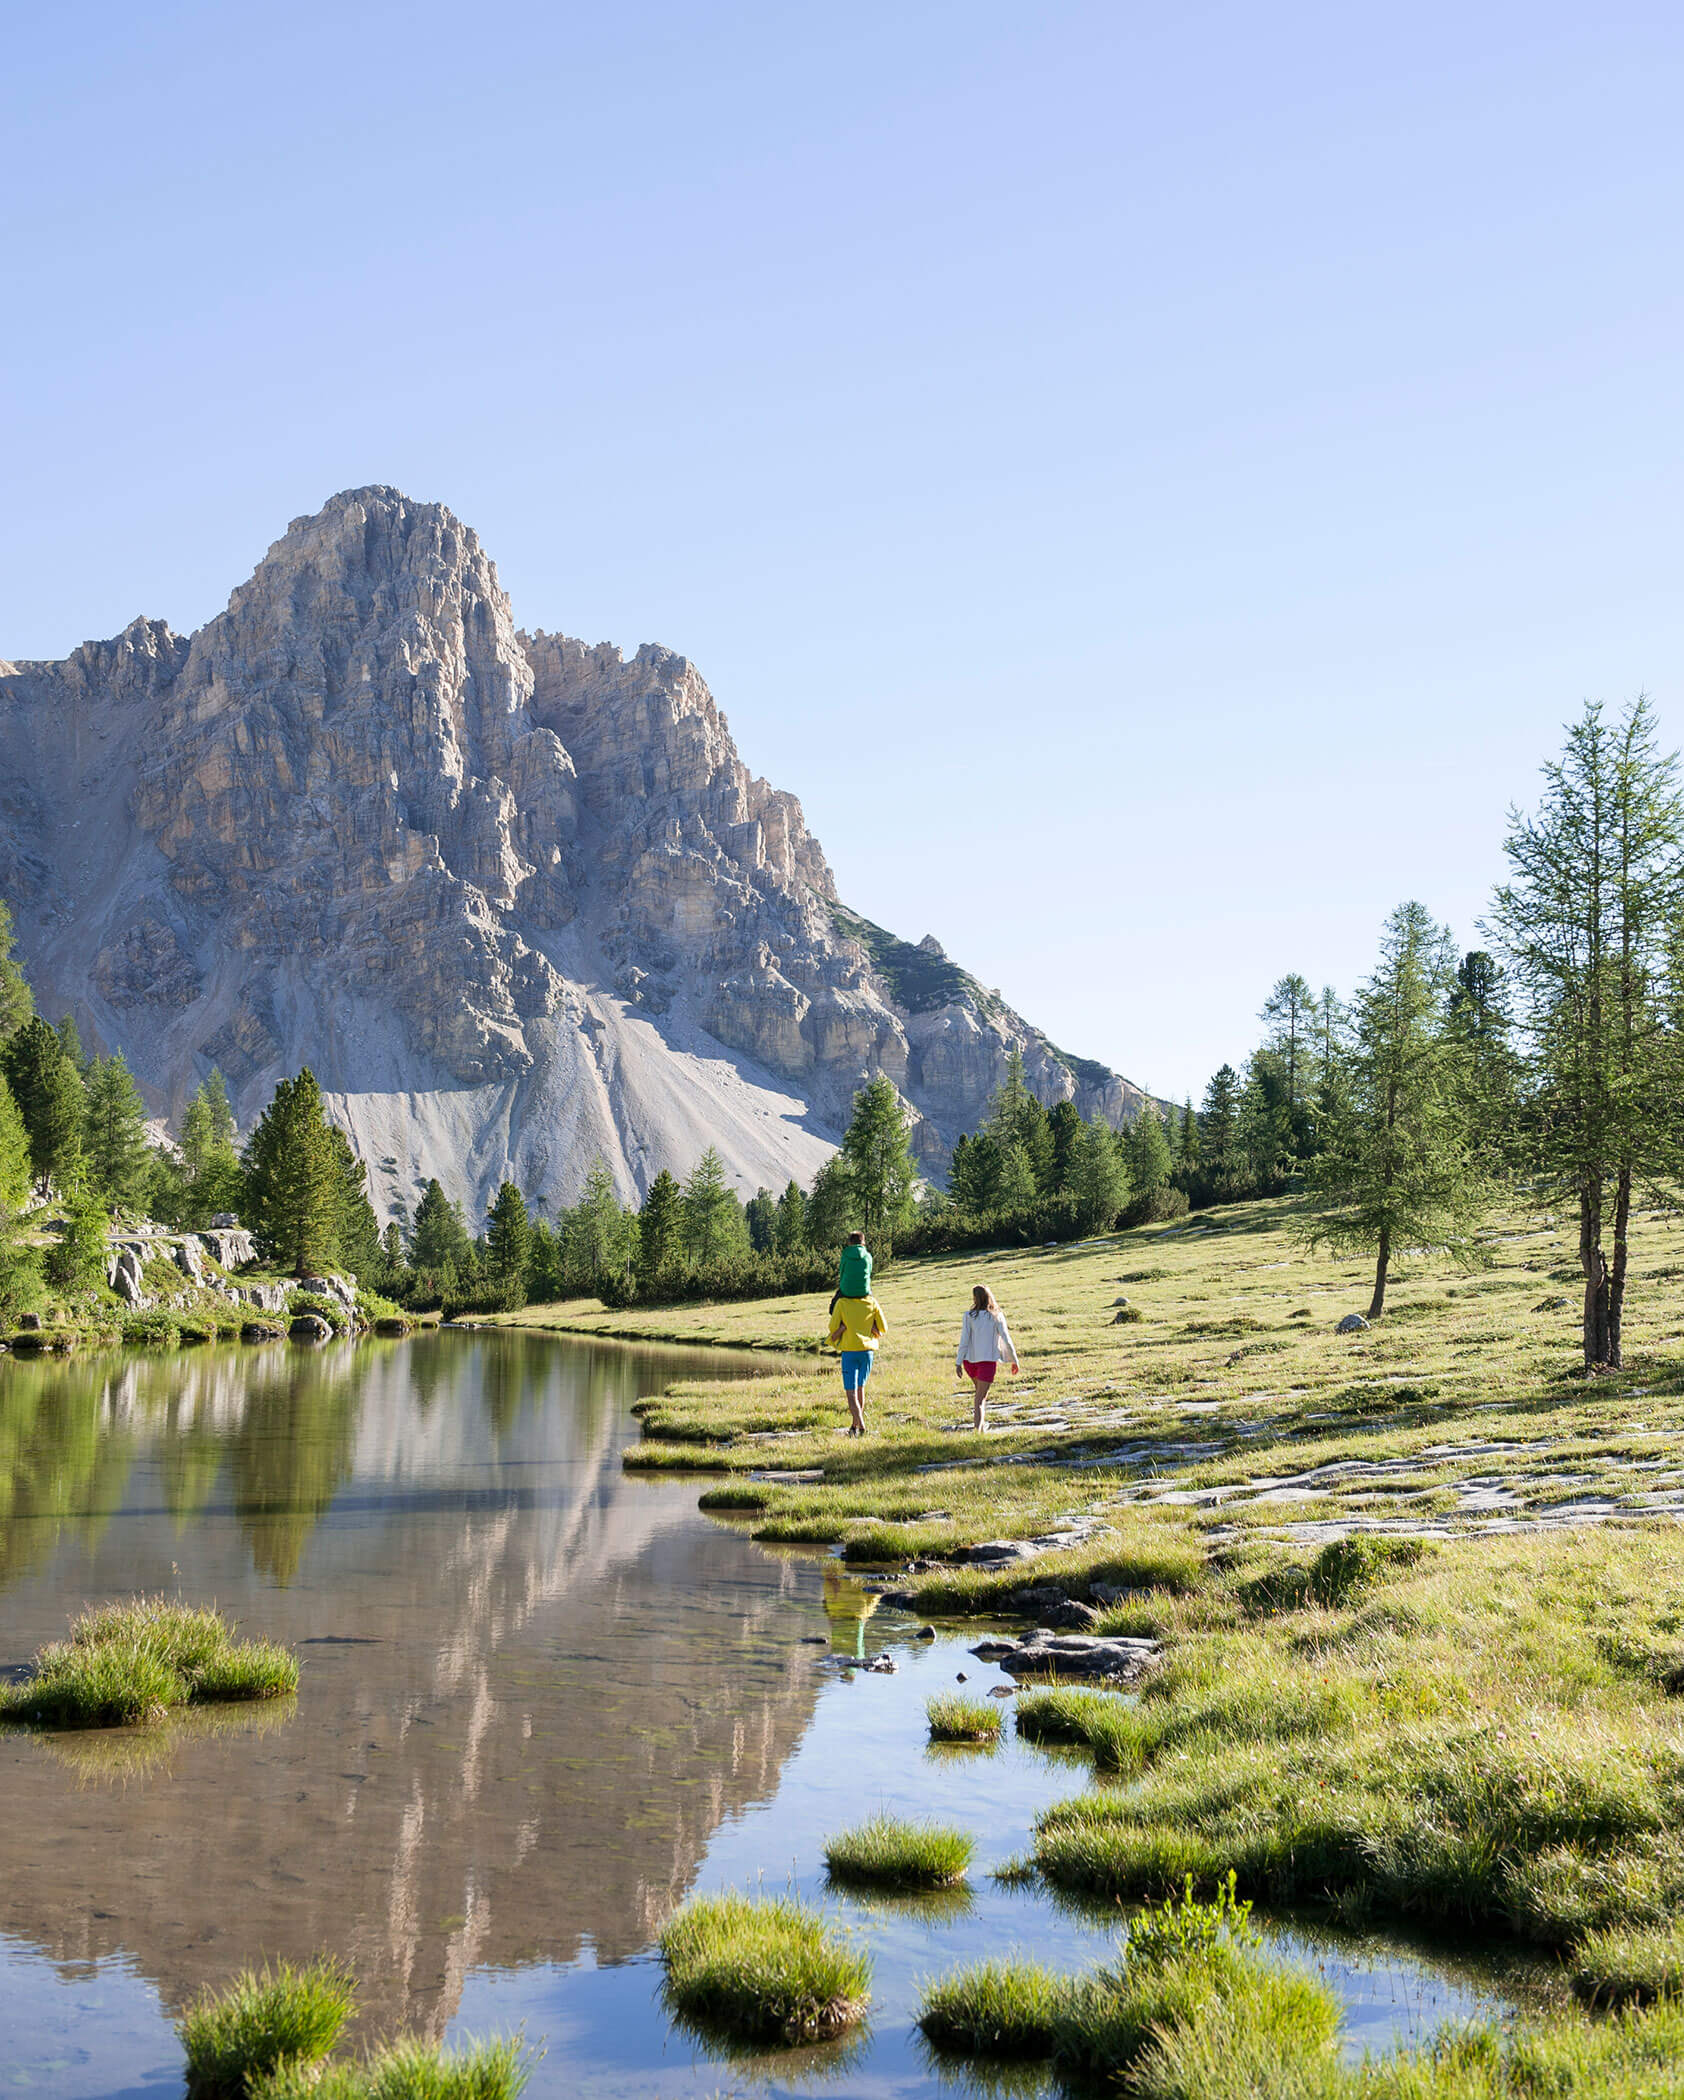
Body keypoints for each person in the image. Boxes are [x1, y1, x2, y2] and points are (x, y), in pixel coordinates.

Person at [955, 1284, 1019, 1431]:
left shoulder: (968, 1316)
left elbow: (964, 1340)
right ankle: (977, 1431)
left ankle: (981, 1427)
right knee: (979, 1398)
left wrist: (958, 1363)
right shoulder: (996, 1316)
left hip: (969, 1361)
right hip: (987, 1362)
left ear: (975, 1298)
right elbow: (1006, 1339)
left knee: (979, 1396)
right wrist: (1014, 1360)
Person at [826, 1288, 887, 1436]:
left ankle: (862, 1426)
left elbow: (832, 1333)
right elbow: (881, 1330)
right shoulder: (871, 1302)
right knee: (860, 1388)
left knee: (851, 1392)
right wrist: (869, 1327)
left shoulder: (841, 1304)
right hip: (867, 1353)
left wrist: (843, 1328)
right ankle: (854, 1426)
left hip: (849, 1353)